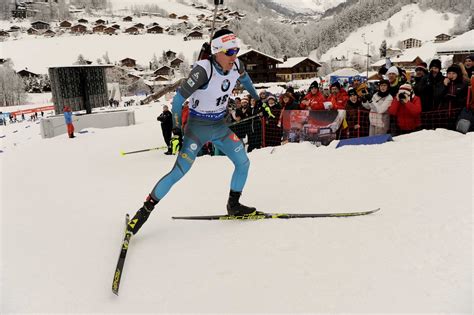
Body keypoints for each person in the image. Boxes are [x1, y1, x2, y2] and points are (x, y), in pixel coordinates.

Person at [127, 29, 261, 236]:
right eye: (229, 51)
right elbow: (179, 100)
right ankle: (144, 212)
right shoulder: (203, 71)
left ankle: (233, 205)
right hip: (197, 129)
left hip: (219, 126)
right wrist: (177, 127)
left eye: (236, 50)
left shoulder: (237, 65)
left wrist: (256, 98)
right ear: (216, 51)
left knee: (243, 162)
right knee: (179, 172)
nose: (234, 56)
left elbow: (246, 81)